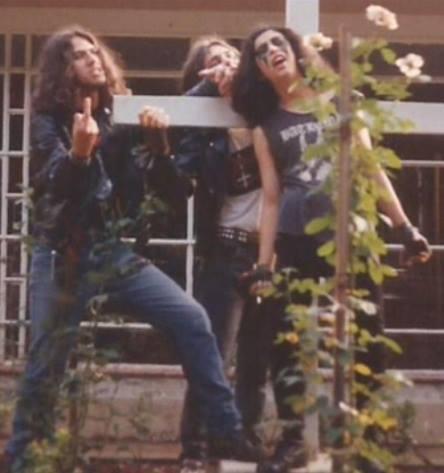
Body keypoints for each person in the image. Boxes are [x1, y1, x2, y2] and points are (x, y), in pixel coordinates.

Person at [4, 25, 257, 473]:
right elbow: (54, 186)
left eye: (94, 50)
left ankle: (226, 431)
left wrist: (214, 80)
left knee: (192, 319)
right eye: (78, 55)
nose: (92, 58)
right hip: (62, 254)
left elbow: (171, 131)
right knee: (46, 361)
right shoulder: (48, 121)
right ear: (62, 70)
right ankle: (24, 460)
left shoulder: (119, 114)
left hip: (111, 252)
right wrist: (78, 154)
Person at [231, 26, 431, 473]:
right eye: (261, 51)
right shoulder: (266, 127)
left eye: (278, 43)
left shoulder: (339, 104)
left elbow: (371, 168)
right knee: (287, 340)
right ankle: (294, 441)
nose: (272, 51)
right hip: (296, 239)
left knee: (367, 336)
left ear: (296, 52)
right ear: (259, 71)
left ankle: (366, 443)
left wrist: (405, 228)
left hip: (350, 235)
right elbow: (270, 197)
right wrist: (264, 265)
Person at [171, 36, 268, 472]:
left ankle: (243, 448)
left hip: (270, 253)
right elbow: (183, 172)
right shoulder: (204, 131)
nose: (227, 63)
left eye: (232, 56)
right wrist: (210, 91)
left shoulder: (264, 112)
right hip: (228, 249)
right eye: (215, 61)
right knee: (213, 355)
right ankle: (195, 449)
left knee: (256, 361)